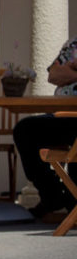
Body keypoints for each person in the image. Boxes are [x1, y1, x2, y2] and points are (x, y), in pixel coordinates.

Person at [13, 35, 77, 220]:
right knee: (25, 130)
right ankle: (53, 195)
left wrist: (70, 71)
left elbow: (63, 74)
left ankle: (73, 201)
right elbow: (54, 75)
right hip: (64, 116)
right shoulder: (74, 44)